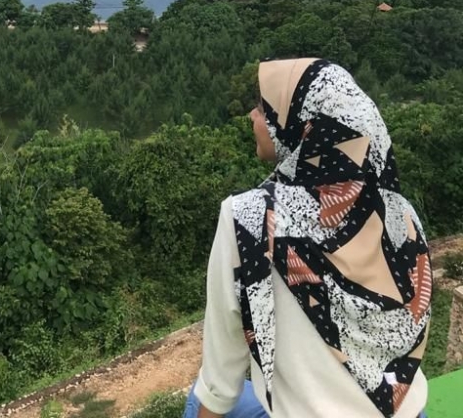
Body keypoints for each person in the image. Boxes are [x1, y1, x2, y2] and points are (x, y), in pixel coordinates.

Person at [184, 58, 431, 418]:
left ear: (301, 127)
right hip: (405, 409)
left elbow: (220, 384)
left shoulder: (249, 218)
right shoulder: (399, 212)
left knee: (199, 398)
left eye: (265, 110)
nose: (253, 117)